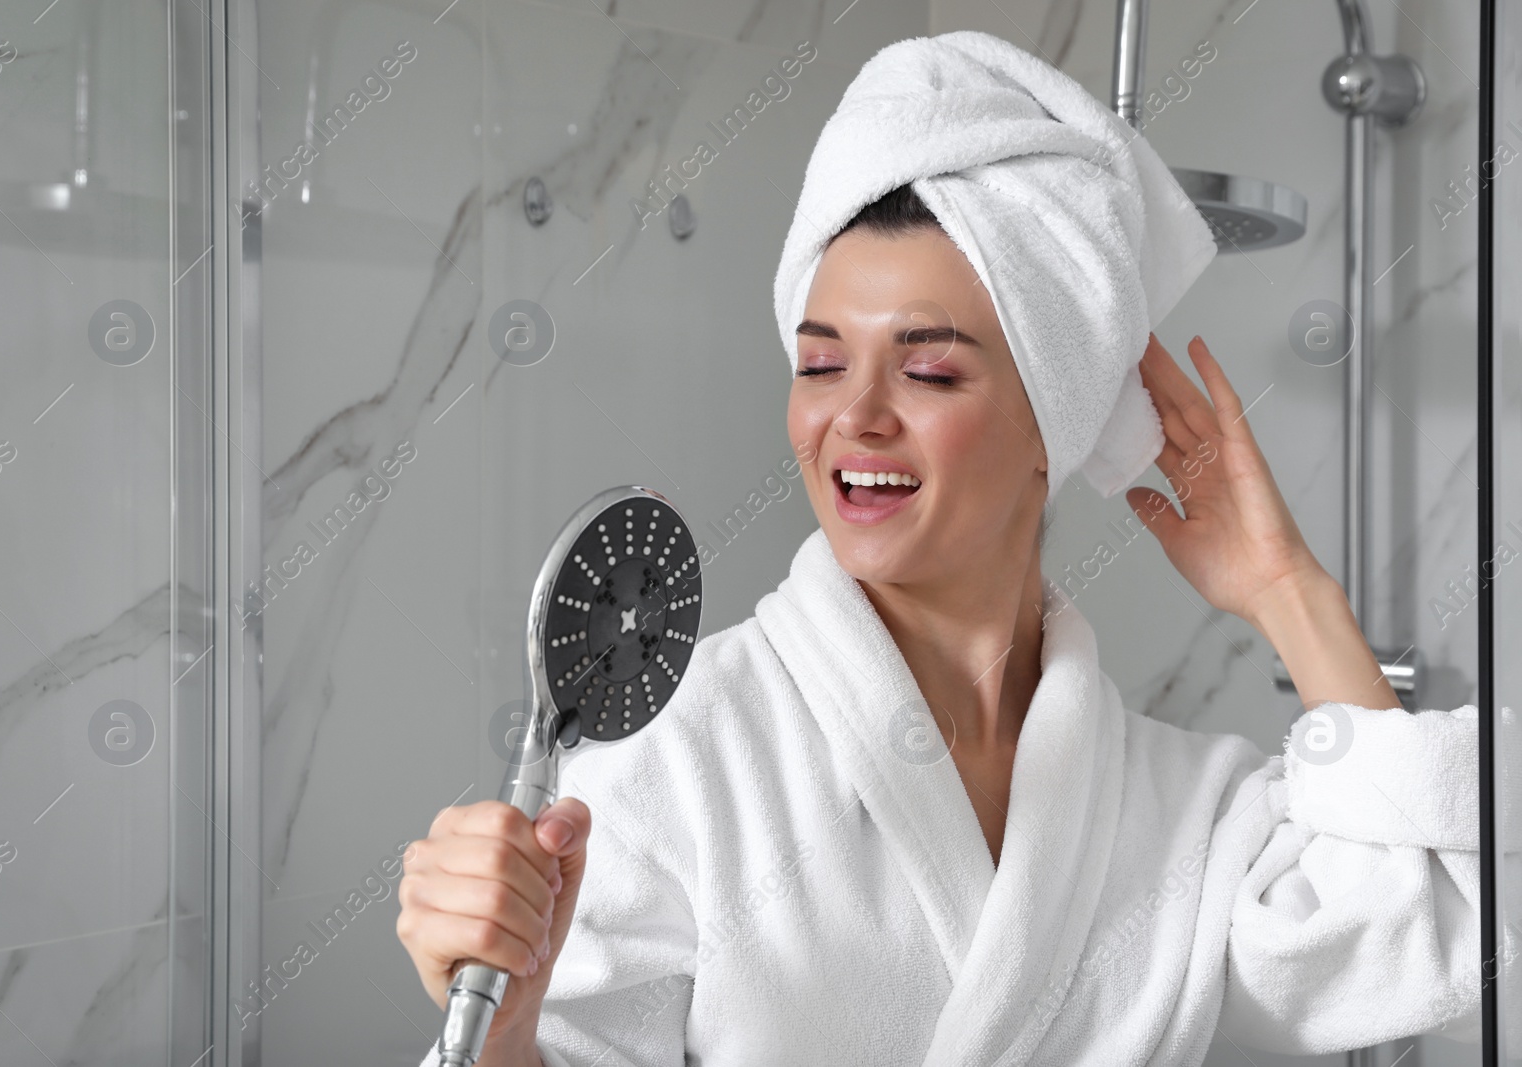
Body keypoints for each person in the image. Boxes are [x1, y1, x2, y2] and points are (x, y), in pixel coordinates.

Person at [398, 32, 1491, 1067]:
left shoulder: (1164, 805)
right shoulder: (678, 758)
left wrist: (1286, 588)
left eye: (926, 372)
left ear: (1052, 421)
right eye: (820, 364)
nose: (855, 416)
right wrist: (503, 1027)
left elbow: (1416, 926)